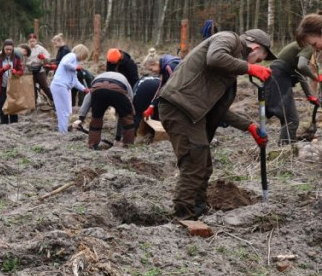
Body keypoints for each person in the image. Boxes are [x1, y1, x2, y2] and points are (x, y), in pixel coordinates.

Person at [157, 28, 275, 219]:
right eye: (260, 59)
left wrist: (249, 126)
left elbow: (218, 110)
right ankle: (184, 214)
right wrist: (250, 68)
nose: (258, 63)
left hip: (190, 111)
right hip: (180, 107)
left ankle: (198, 207)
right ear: (255, 47)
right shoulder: (228, 38)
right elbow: (215, 57)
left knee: (204, 164)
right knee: (195, 161)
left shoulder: (228, 73)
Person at [264, 14, 322, 144]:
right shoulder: (308, 45)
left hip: (279, 76)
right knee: (291, 119)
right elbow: (302, 66)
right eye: (315, 43)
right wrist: (316, 78)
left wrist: (309, 95)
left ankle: (285, 146)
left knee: (289, 118)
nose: (317, 47)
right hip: (279, 77)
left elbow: (298, 73)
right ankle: (285, 149)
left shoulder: (304, 44)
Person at [74, 71, 137, 149]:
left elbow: (88, 98)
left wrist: (81, 118)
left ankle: (93, 146)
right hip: (118, 89)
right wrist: (131, 114)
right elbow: (130, 100)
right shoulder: (125, 81)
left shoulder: (98, 78)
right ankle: (128, 145)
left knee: (96, 119)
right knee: (127, 120)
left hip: (98, 88)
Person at [51, 44, 91, 133]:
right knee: (63, 111)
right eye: (84, 56)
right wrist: (76, 67)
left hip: (65, 86)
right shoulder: (71, 56)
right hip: (59, 85)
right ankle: (63, 132)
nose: (84, 59)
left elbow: (75, 81)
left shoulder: (75, 61)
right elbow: (65, 63)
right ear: (82, 53)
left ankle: (63, 130)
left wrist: (84, 89)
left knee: (67, 110)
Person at [138, 53, 182, 120]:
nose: (152, 72)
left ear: (155, 63)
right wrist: (152, 105)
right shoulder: (165, 68)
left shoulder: (170, 67)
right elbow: (161, 87)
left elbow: (175, 88)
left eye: (151, 69)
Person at [0, 39, 25, 124]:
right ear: (3, 48)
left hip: (13, 86)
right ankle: (4, 123)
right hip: (1, 86)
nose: (8, 51)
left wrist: (16, 72)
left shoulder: (16, 58)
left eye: (10, 49)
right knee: (2, 105)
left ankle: (14, 123)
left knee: (13, 104)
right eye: (7, 49)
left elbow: (21, 71)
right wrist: (3, 69)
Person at [26, 33, 54, 105]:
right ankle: (33, 103)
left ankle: (53, 100)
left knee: (44, 86)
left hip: (39, 69)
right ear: (28, 41)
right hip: (29, 70)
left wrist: (43, 57)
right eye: (30, 41)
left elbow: (48, 57)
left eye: (33, 41)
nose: (32, 43)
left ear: (36, 41)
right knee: (32, 87)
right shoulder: (26, 48)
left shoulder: (40, 48)